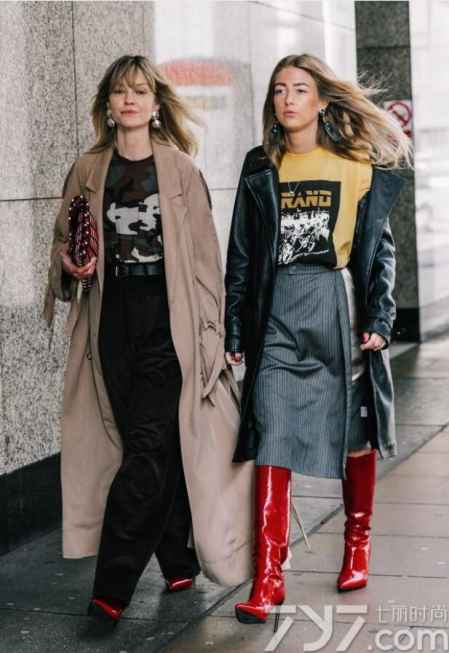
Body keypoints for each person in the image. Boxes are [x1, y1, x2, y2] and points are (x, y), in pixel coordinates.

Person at [44, 54, 252, 625]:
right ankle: (178, 558)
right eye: (120, 91)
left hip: (170, 322)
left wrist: (214, 336)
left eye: (140, 91)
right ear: (108, 105)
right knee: (141, 443)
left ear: (157, 104)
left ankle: (110, 590)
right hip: (111, 323)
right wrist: (69, 265)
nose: (130, 100)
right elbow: (63, 248)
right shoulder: (88, 169)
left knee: (146, 446)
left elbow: (206, 261)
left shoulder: (180, 170)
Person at [225, 53, 411, 627]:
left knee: (353, 431)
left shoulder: (353, 164)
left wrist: (380, 317)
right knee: (271, 431)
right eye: (279, 89)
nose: (288, 99)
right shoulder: (261, 166)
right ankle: (268, 575)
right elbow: (241, 254)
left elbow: (379, 251)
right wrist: (235, 327)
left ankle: (358, 544)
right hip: (277, 307)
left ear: (322, 100)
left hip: (335, 300)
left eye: (300, 89)